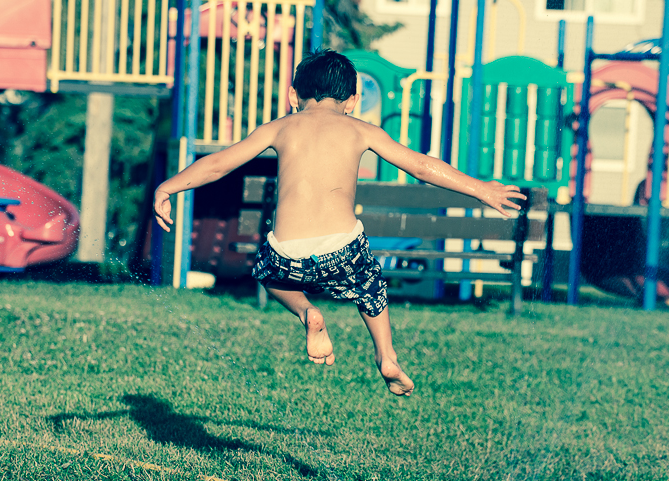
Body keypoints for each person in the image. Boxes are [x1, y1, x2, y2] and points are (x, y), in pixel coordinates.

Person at [154, 49, 526, 397]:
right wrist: (480, 189)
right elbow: (421, 166)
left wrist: (169, 187)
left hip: (287, 250)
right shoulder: (361, 130)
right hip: (340, 249)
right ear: (352, 101)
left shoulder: (279, 128)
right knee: (370, 287)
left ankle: (307, 313)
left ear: (292, 95)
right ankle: (386, 355)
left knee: (267, 272)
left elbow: (219, 164)